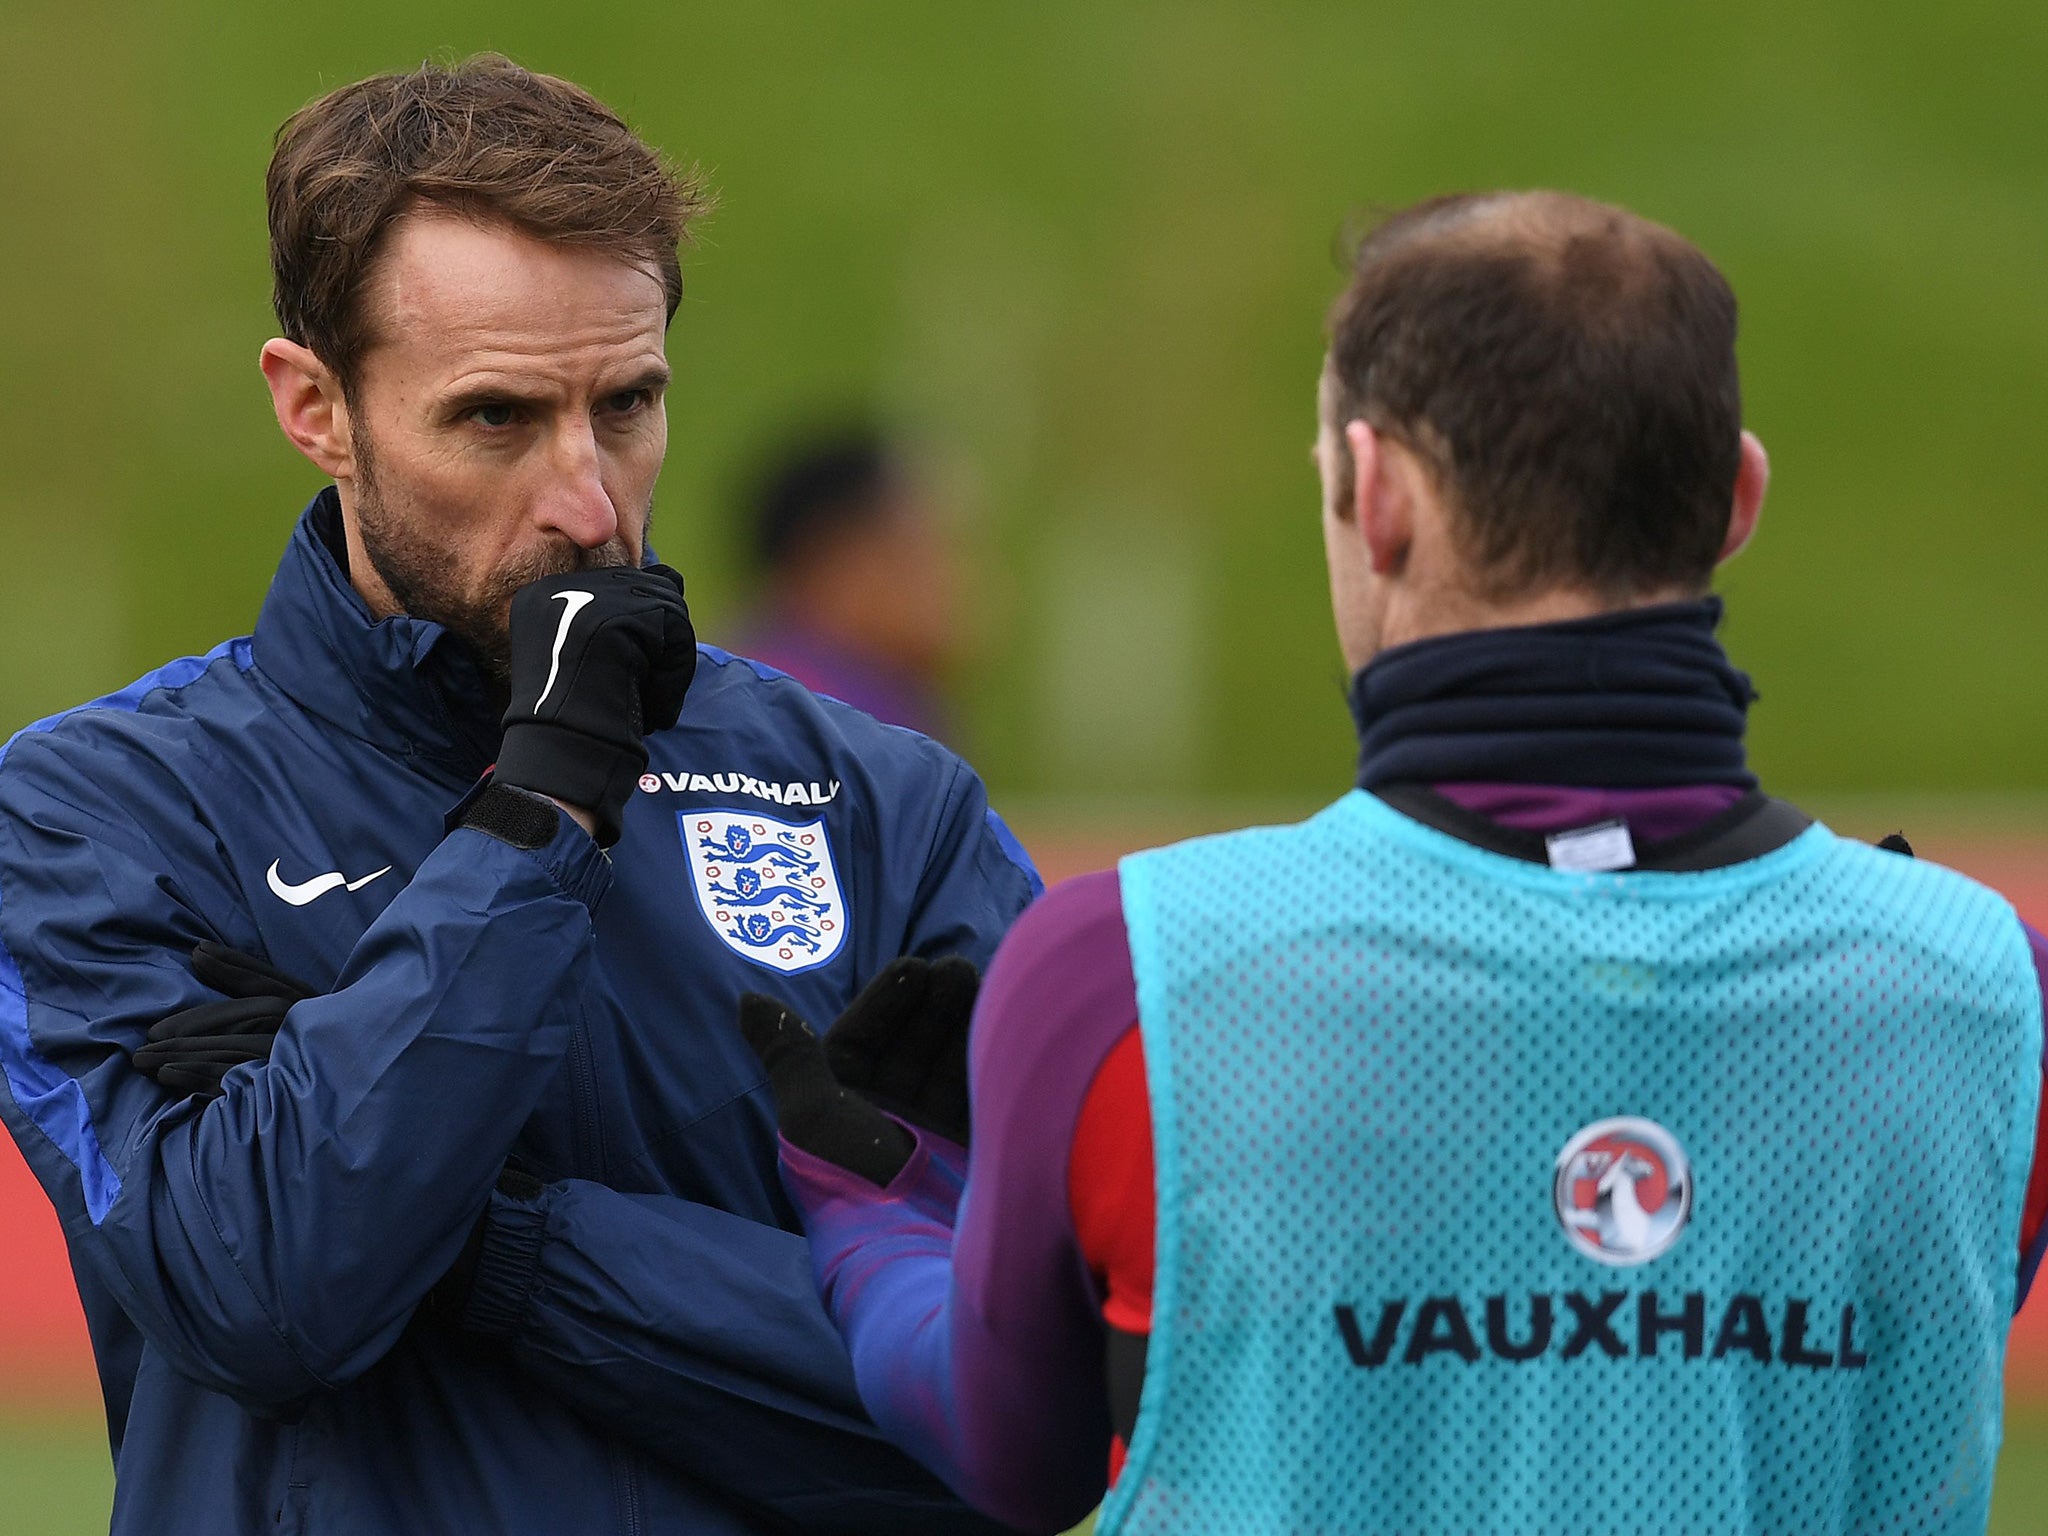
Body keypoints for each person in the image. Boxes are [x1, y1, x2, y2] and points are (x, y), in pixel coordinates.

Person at [741, 191, 2048, 1534]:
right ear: (1737, 499)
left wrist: (880, 1203)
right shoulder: (2000, 997)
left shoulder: (1112, 980)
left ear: (1378, 497)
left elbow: (1014, 1457)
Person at [0, 56, 1039, 1536]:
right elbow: (265, 1295)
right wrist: (541, 805)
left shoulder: (877, 799)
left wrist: (497, 1246)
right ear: (317, 407)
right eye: (495, 420)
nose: (589, 502)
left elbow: (1045, 1404)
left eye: (627, 402)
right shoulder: (95, 813)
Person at [727, 428, 963, 739]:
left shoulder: (883, 698)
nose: (954, 577)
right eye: (923, 552)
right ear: (839, 565)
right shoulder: (793, 723)